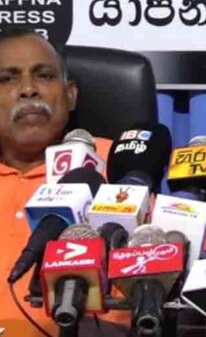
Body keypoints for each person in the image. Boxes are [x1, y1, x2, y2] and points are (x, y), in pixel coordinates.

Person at [0, 29, 116, 336]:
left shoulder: (115, 164)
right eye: (7, 79)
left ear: (70, 95)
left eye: (44, 75)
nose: (28, 89)